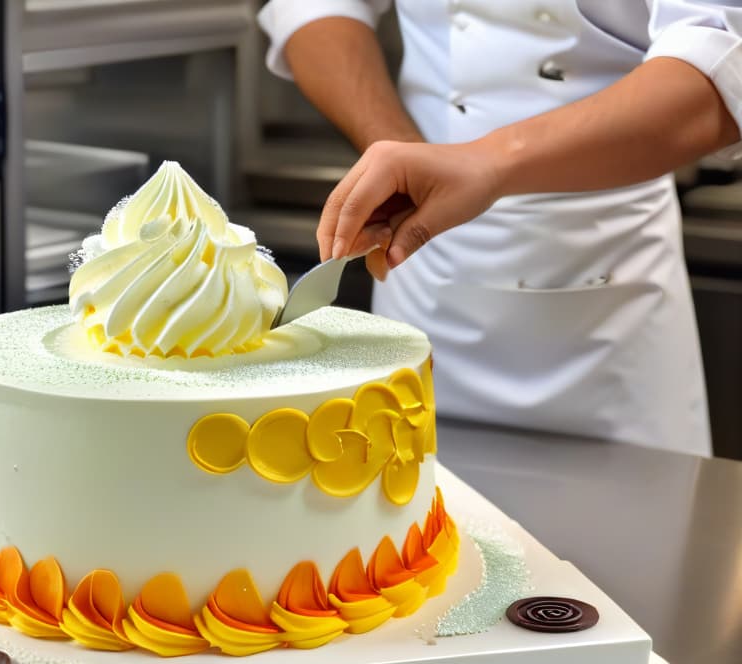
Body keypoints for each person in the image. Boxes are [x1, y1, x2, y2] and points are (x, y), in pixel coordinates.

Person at [258, 1, 742, 457]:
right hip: (424, 288)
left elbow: (720, 51)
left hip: (610, 310)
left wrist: (487, 164)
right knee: (420, 528)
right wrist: (401, 154)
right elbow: (314, 8)